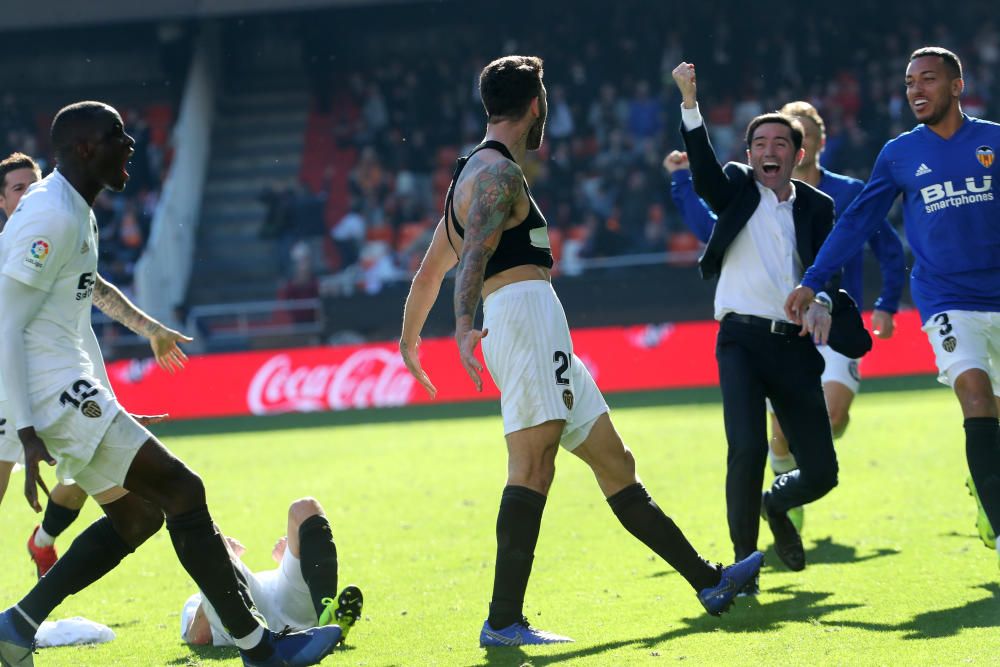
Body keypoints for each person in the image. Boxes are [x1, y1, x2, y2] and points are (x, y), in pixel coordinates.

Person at [399, 56, 763, 647]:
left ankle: (707, 582)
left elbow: (430, 269)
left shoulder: (469, 175)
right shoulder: (499, 176)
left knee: (615, 461)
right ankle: (502, 621)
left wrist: (410, 337)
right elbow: (466, 263)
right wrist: (464, 325)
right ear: (536, 104)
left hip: (535, 327)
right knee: (532, 467)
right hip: (523, 321)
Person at [0, 101, 342, 667]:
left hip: (69, 394)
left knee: (139, 515)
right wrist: (29, 427)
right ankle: (261, 649)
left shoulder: (73, 210)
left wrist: (104, 401)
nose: (130, 145)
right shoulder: (50, 215)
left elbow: (70, 322)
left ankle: (17, 626)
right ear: (85, 148)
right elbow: (8, 321)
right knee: (185, 492)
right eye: (117, 136)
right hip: (53, 400)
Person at [786, 47, 1000, 565]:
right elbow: (858, 223)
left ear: (956, 86)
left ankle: (986, 489)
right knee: (975, 395)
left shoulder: (993, 141)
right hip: (947, 299)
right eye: (909, 83)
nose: (916, 90)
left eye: (928, 80)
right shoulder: (899, 154)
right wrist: (814, 282)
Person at [664, 99, 906, 533]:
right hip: (772, 331)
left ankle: (786, 485)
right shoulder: (746, 191)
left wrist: (885, 302)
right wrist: (683, 174)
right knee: (760, 441)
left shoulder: (840, 195)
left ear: (811, 146)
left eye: (799, 136)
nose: (776, 149)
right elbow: (713, 223)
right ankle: (775, 513)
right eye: (763, 142)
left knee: (832, 419)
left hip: (829, 322)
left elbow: (886, 247)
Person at [672, 61, 842, 578]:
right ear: (749, 156)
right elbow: (702, 173)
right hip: (740, 340)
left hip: (792, 346)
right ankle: (744, 562)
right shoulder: (736, 187)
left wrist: (823, 303)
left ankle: (777, 506)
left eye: (780, 144)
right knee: (745, 449)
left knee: (822, 473)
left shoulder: (818, 205)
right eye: (760, 144)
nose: (769, 151)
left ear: (799, 154)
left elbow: (825, 270)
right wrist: (689, 102)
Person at [0, 152, 193, 580]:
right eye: (18, 188)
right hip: (8, 390)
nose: (29, 195)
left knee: (92, 489)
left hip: (58, 388)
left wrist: (150, 329)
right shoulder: (16, 251)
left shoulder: (57, 235)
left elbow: (97, 289)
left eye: (34, 186)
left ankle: (43, 545)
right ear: (1, 200)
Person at [182, 497, 363, 649]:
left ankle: (328, 618)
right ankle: (256, 633)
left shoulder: (270, 577)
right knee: (208, 531)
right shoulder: (193, 601)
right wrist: (221, 571)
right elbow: (197, 637)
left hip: (292, 606)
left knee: (305, 507)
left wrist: (290, 559)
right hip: (245, 619)